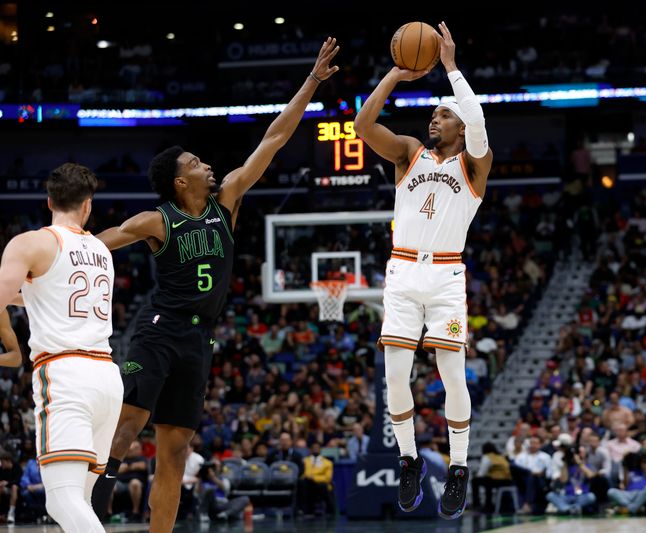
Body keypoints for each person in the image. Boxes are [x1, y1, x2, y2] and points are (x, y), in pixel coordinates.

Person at [89, 38, 339, 532]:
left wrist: (311, 81)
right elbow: (95, 246)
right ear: (181, 182)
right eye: (196, 163)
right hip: (158, 331)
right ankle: (88, 512)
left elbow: (274, 139)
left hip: (200, 338)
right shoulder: (156, 220)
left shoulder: (227, 201)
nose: (207, 165)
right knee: (127, 428)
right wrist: (42, 256)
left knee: (176, 451)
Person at [354, 21, 492, 520]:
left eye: (442, 114)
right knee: (394, 373)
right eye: (433, 113)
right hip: (404, 275)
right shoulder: (410, 153)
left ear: (459, 125)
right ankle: (409, 459)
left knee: (451, 372)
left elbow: (477, 121)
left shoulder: (475, 165)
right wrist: (393, 75)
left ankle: (458, 467)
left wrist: (451, 67)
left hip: (447, 279)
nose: (435, 118)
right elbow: (363, 128)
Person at [0, 163, 122, 532]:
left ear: (49, 200)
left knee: (61, 499)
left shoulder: (31, 242)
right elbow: (50, 292)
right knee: (79, 502)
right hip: (106, 377)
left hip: (66, 374)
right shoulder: (101, 250)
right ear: (88, 206)